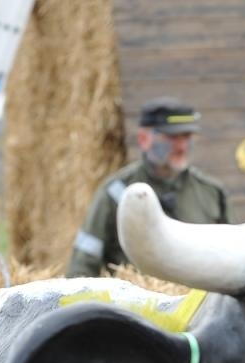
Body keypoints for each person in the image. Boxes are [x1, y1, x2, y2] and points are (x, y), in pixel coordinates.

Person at [66, 97, 232, 277]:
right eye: (172, 137)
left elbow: (232, 255)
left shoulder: (211, 192)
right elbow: (84, 263)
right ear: (144, 139)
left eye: (187, 137)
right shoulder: (116, 192)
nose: (182, 146)